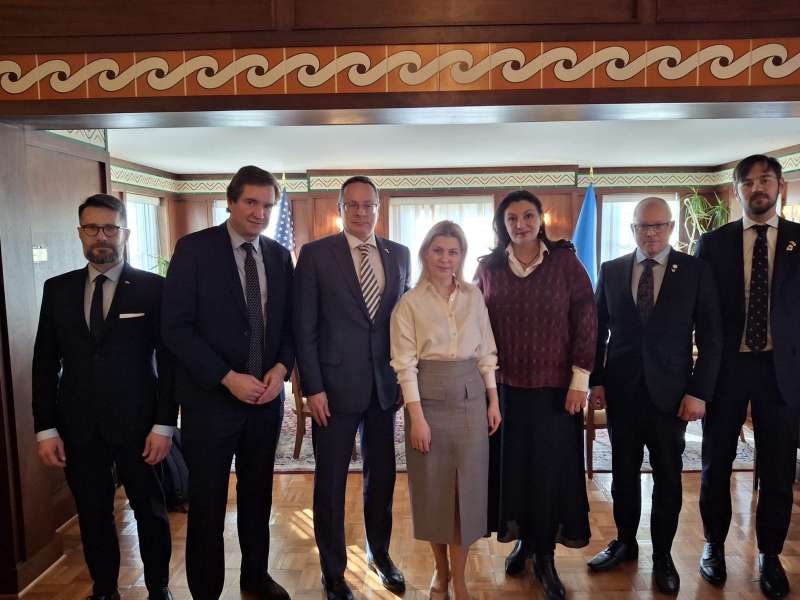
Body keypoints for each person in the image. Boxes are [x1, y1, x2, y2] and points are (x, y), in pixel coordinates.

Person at [32, 193, 176, 600]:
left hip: (140, 426)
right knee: (93, 515)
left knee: (150, 513)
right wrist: (46, 428)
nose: (102, 236)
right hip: (77, 428)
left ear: (124, 233)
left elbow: (170, 364)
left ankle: (159, 588)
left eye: (110, 228)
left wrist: (165, 425)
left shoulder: (153, 289)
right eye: (92, 228)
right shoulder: (57, 290)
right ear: (80, 233)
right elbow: (44, 363)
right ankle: (105, 590)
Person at [161, 166, 294, 600]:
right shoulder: (194, 250)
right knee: (208, 504)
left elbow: (288, 326)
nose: (260, 213)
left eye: (267, 205)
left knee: (258, 498)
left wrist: (281, 369)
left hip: (266, 402)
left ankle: (255, 578)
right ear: (230, 201)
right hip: (210, 403)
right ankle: (206, 590)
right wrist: (227, 377)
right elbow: (176, 327)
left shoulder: (279, 255)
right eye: (251, 202)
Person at [586, 197, 722, 595]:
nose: (650, 233)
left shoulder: (695, 271)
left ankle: (662, 554)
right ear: (632, 229)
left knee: (667, 478)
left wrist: (698, 392)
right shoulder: (611, 270)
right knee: (623, 475)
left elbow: (711, 336)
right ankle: (625, 542)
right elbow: (597, 331)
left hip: (672, 397)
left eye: (658, 225)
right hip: (623, 393)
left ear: (671, 227)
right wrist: (596, 380)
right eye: (643, 226)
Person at [293, 175, 411, 600]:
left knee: (382, 479)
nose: (362, 212)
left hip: (384, 388)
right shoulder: (315, 255)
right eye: (353, 205)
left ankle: (380, 554)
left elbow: (403, 323)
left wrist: (404, 377)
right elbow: (304, 327)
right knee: (330, 484)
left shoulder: (399, 254)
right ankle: (333, 572)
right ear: (340, 209)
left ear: (379, 208)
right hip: (333, 390)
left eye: (368, 205)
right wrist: (313, 389)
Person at [475, 190, 596, 600]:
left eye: (528, 216)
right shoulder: (489, 267)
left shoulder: (565, 262)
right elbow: (474, 322)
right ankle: (525, 542)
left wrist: (580, 379)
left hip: (555, 391)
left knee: (548, 474)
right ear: (502, 224)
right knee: (514, 472)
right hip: (504, 391)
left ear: (540, 219)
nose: (521, 224)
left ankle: (545, 557)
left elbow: (586, 317)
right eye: (512, 218)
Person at [696, 155, 800, 600]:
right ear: (737, 190)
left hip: (783, 372)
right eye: (748, 182)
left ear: (781, 187)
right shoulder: (713, 243)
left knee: (777, 468)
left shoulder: (799, 240)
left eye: (765, 180)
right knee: (715, 463)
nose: (757, 188)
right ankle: (713, 545)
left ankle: (770, 554)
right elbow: (702, 314)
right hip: (727, 369)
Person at [390, 221, 501, 600]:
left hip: (472, 399)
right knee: (434, 491)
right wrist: (416, 419)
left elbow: (486, 352)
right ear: (425, 253)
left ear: (462, 256)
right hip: (428, 402)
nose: (445, 258)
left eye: (453, 251)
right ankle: (441, 570)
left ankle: (462, 578)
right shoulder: (409, 303)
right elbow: (404, 365)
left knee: (468, 492)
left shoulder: (474, 297)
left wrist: (493, 400)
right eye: (438, 250)